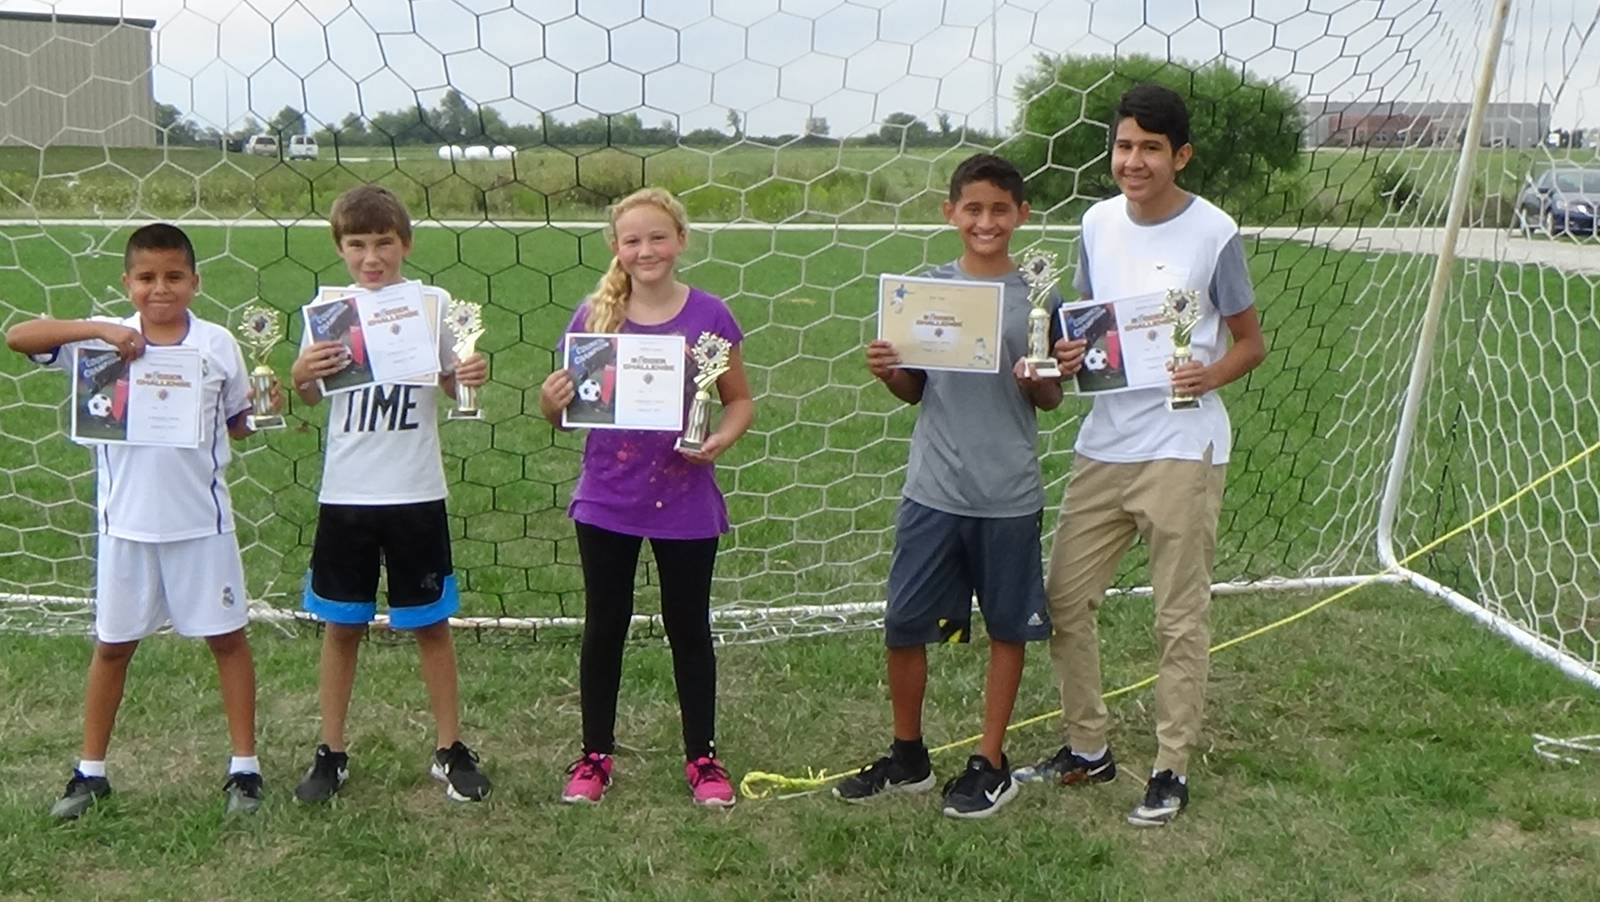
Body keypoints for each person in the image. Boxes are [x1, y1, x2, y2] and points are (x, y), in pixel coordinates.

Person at [1024, 84, 1267, 827]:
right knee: (1064, 600)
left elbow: (1251, 342)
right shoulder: (1096, 223)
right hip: (1105, 443)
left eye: (1151, 149)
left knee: (1178, 615)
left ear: (1180, 156)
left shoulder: (1213, 231)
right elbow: (1095, 331)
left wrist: (1209, 371)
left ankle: (1169, 767)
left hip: (1182, 447)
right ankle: (1088, 748)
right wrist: (1068, 354)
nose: (1134, 161)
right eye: (1124, 146)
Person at [5, 223, 278, 819]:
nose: (161, 289)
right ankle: (90, 772)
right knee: (111, 648)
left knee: (228, 640)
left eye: (174, 277)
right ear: (127, 283)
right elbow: (18, 337)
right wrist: (101, 329)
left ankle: (245, 769)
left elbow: (236, 424)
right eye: (147, 277)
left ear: (195, 282)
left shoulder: (217, 344)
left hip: (202, 526)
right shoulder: (102, 342)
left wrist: (264, 407)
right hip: (124, 527)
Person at [833, 153, 1063, 820]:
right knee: (905, 624)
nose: (986, 221)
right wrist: (888, 371)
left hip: (1008, 493)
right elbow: (915, 390)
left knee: (1006, 628)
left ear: (1021, 215)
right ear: (950, 214)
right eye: (973, 209)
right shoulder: (927, 291)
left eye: (1000, 209)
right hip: (932, 489)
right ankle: (907, 756)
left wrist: (1037, 379)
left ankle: (990, 763)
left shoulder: (1040, 297)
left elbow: (1049, 398)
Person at [538, 187, 754, 808]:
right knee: (604, 625)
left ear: (681, 241)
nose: (646, 250)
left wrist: (717, 440)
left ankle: (704, 759)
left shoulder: (711, 316)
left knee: (690, 628)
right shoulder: (594, 317)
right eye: (632, 239)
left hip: (684, 498)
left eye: (658, 237)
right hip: (608, 496)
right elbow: (564, 415)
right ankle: (594, 756)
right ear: (616, 247)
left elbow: (740, 400)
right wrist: (550, 404)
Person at [288, 184, 492, 804]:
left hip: (415, 490)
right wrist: (302, 373)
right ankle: (332, 751)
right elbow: (304, 393)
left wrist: (467, 377)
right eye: (357, 244)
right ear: (340, 247)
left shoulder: (431, 305)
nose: (371, 257)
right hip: (348, 493)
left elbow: (455, 385)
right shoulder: (327, 310)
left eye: (384, 243)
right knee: (341, 626)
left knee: (431, 624)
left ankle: (450, 747)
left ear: (404, 243)